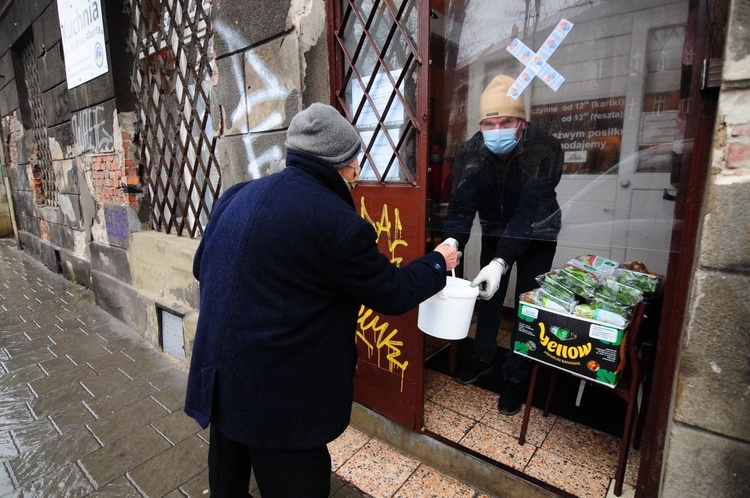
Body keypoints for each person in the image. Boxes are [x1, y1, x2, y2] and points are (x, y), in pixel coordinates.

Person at [184, 102, 458, 497]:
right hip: (280, 403)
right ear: (345, 166)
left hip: (221, 382)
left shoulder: (236, 195)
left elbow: (202, 267)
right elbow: (393, 292)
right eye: (355, 164)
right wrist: (438, 262)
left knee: (227, 488)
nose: (356, 174)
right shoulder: (337, 224)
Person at [442, 74, 563, 416]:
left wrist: (500, 263)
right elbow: (462, 205)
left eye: (506, 121)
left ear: (521, 122)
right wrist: (453, 240)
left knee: (527, 305)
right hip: (495, 230)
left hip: (538, 234)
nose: (497, 129)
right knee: (488, 296)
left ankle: (515, 375)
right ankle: (482, 357)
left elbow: (529, 211)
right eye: (489, 123)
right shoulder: (469, 151)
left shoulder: (546, 148)